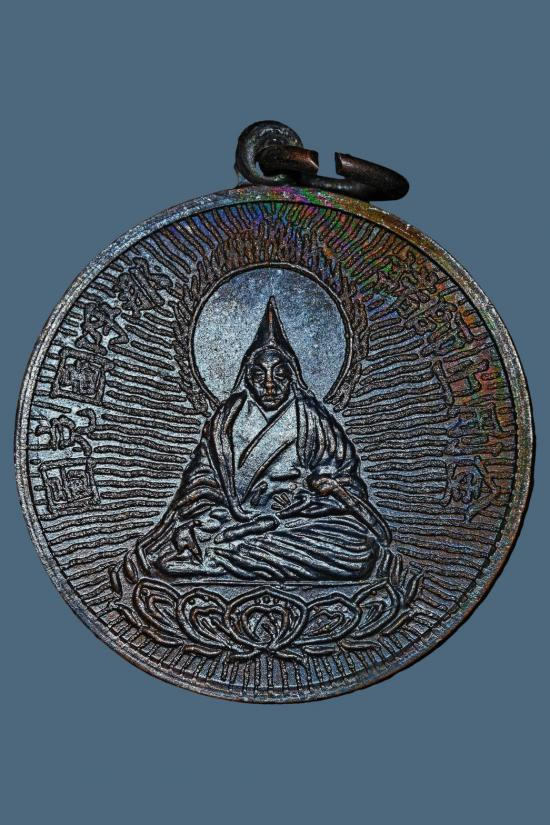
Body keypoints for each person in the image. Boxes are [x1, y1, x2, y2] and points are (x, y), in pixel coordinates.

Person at [126, 296, 391, 581]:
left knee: (359, 546)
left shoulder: (310, 417)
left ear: (292, 376)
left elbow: (343, 478)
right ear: (246, 377)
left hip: (297, 523)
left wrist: (310, 499)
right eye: (259, 375)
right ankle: (221, 552)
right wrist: (210, 513)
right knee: (204, 533)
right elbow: (201, 481)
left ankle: (222, 556)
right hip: (231, 521)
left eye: (280, 374)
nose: (269, 385)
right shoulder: (225, 420)